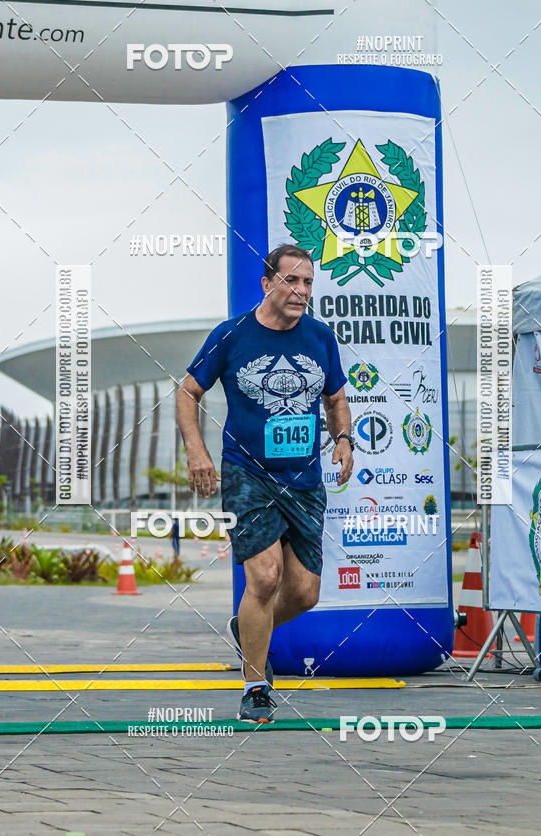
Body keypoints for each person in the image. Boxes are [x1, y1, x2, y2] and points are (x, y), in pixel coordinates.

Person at [176, 244, 353, 723]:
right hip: (247, 473)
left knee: (304, 593)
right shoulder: (232, 335)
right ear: (267, 284)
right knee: (265, 577)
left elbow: (336, 398)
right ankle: (255, 686)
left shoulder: (320, 337)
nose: (301, 291)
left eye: (309, 283)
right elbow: (188, 391)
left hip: (304, 480)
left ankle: (248, 627)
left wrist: (343, 439)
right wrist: (197, 450)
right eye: (292, 281)